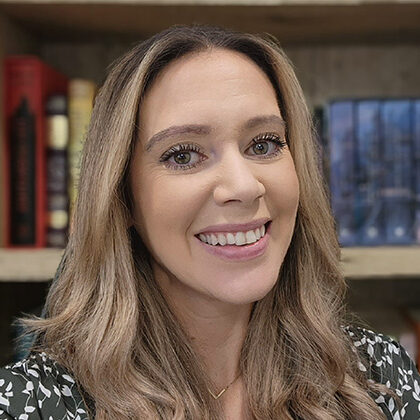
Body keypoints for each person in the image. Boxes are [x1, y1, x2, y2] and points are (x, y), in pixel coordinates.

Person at [0, 24, 419, 420]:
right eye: (183, 154)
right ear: (121, 197)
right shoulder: (30, 404)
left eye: (264, 144)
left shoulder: (378, 376)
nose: (244, 186)